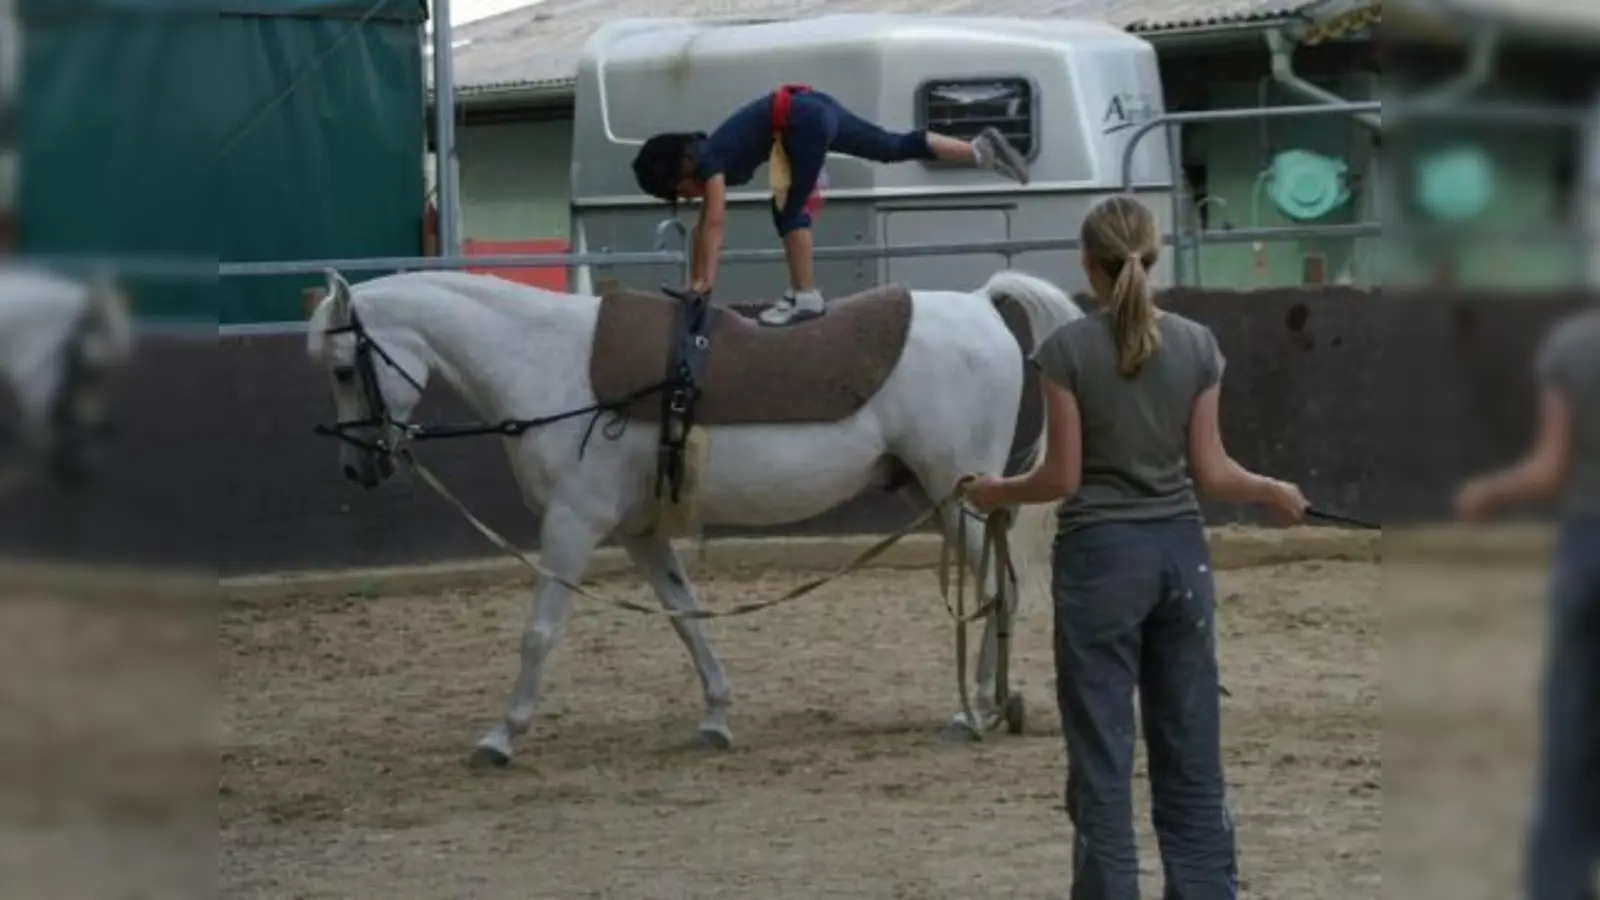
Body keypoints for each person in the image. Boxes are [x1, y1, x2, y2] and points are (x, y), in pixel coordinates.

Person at [961, 194, 1308, 900]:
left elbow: (1062, 477)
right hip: (1182, 559)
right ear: (1151, 257)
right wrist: (1273, 489)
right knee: (1191, 753)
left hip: (1100, 564)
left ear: (1087, 265)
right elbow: (1212, 473)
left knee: (1103, 761)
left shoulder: (1065, 352)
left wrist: (993, 493)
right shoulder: (1198, 344)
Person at [631, 85, 1031, 326]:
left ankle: (806, 296)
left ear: (678, 172)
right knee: (890, 146)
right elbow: (703, 226)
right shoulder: (707, 151)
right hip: (814, 105)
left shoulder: (708, 158)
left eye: (679, 192)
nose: (686, 198)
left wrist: (703, 286)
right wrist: (696, 286)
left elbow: (714, 222)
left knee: (788, 211)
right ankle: (978, 151)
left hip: (800, 120)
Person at [1454, 306, 1600, 900]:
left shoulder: (1574, 344)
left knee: (1570, 753)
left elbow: (1549, 469)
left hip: (1589, 550)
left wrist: (1488, 493)